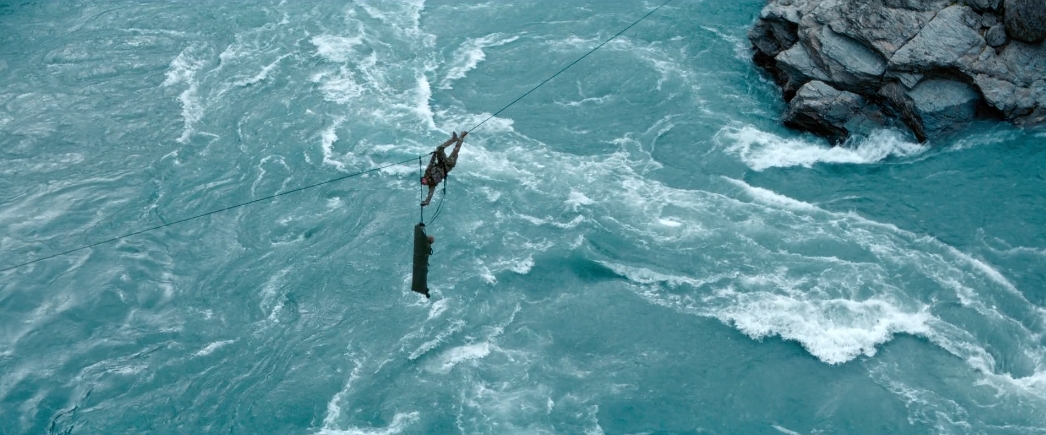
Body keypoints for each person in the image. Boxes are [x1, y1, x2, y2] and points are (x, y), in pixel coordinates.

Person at [421, 131, 467, 206]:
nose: (423, 183)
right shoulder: (432, 184)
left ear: (423, 178)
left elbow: (431, 163)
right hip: (449, 165)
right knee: (456, 150)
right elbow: (430, 195)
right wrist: (426, 202)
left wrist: (434, 154)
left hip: (442, 162)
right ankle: (462, 136)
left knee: (439, 149)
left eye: (422, 181)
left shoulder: (427, 172)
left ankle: (453, 139)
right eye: (423, 184)